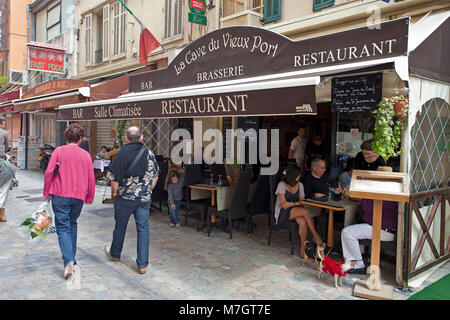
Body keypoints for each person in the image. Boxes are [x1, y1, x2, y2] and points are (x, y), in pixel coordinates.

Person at [43, 123, 96, 279]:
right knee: (72, 224)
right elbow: (91, 177)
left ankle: (68, 262)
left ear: (67, 137)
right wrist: (90, 196)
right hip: (78, 196)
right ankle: (72, 258)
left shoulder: (59, 151)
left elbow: (48, 172)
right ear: (80, 139)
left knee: (63, 227)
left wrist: (46, 192)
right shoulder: (85, 155)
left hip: (60, 194)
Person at [104, 127, 160, 275]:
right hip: (144, 199)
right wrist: (147, 190)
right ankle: (142, 265)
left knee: (120, 226)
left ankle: (115, 254)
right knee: (143, 229)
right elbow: (155, 176)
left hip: (125, 198)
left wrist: (115, 193)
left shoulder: (122, 153)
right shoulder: (150, 154)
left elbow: (114, 177)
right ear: (141, 137)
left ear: (127, 138)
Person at [341, 187, 398, 274]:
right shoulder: (390, 190)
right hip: (384, 229)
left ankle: (358, 265)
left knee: (347, 232)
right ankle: (356, 258)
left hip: (384, 230)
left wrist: (364, 194)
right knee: (354, 228)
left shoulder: (383, 193)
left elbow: (367, 207)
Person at [274, 165, 324, 258]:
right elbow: (284, 205)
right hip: (282, 213)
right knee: (305, 211)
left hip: (295, 210)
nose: (299, 176)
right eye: (298, 175)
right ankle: (316, 236)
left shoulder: (300, 185)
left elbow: (302, 201)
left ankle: (302, 250)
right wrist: (296, 203)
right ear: (292, 175)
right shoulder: (282, 185)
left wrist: (294, 204)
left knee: (303, 221)